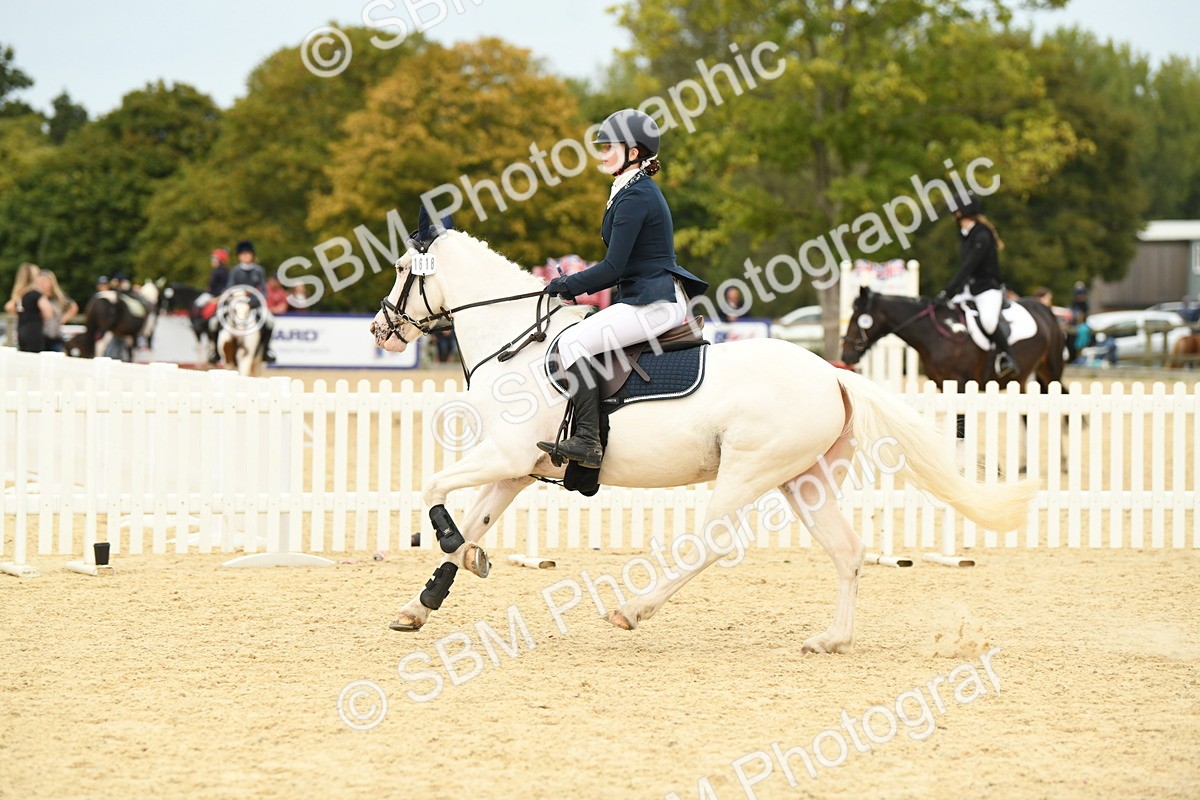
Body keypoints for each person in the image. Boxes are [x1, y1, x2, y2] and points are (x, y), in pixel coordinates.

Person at [537, 108, 709, 468]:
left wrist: (566, 284)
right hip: (647, 296)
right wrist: (572, 287)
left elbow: (615, 267)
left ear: (633, 152)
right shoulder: (630, 191)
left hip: (654, 302)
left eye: (608, 147)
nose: (601, 153)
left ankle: (588, 439)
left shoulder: (635, 197)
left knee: (572, 342)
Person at [935, 191, 1017, 379]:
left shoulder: (982, 234)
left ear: (962, 212)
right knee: (946, 312)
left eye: (956, 210)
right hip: (970, 290)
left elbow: (968, 265)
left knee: (988, 322)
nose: (954, 214)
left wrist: (947, 290)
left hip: (988, 289)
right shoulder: (965, 233)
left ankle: (1008, 357)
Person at [216, 240, 275, 364]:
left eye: (248, 254)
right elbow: (230, 287)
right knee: (216, 320)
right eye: (243, 254)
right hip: (237, 303)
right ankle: (216, 352)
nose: (246, 256)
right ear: (239, 256)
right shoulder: (235, 270)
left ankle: (266, 350)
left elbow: (264, 290)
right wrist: (238, 297)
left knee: (270, 322)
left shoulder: (259, 270)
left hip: (254, 304)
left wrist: (253, 301)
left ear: (252, 255)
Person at [39, 269, 78, 352]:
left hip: (55, 336)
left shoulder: (58, 297)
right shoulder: (37, 297)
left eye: (44, 281)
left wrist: (63, 319)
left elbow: (73, 307)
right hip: (40, 336)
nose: (42, 284)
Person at [16, 270, 54, 352]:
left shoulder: (23, 294)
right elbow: (48, 313)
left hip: (21, 330)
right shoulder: (36, 294)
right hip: (34, 331)